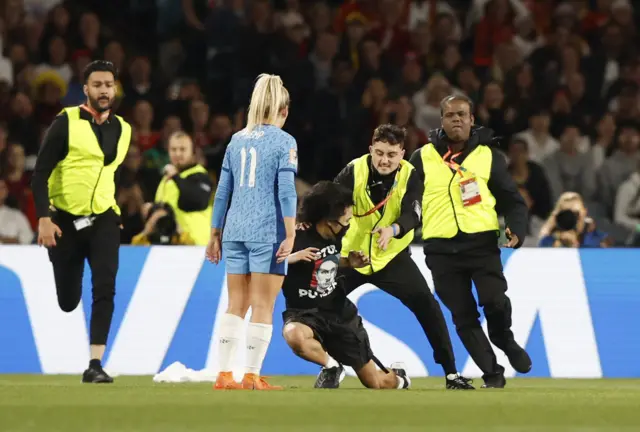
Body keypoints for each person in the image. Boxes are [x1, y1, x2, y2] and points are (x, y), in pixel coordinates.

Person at [333, 123, 474, 390]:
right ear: (370, 150)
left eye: (392, 154)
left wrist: (393, 229)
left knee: (428, 307)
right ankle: (330, 366)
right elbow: (329, 203)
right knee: (321, 307)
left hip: (391, 258)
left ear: (402, 153)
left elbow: (413, 214)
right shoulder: (354, 171)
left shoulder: (410, 175)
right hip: (352, 258)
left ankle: (451, 374)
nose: (384, 160)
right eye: (379, 153)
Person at [409, 94, 531, 389]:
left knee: (495, 301)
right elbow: (406, 199)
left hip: (482, 245)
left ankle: (504, 337)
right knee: (463, 316)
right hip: (440, 250)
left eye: (462, 114)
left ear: (472, 119)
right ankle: (493, 375)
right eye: (450, 115)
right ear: (441, 121)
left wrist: (513, 231)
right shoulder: (422, 157)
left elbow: (513, 201)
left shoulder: (489, 156)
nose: (457, 120)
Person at [30, 60, 132, 383]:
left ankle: (95, 364)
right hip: (64, 222)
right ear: (85, 89)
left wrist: (113, 212)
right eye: (97, 85)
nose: (104, 90)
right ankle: (60, 265)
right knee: (68, 300)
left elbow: (109, 175)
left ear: (115, 88)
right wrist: (44, 218)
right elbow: (39, 175)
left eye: (109, 84)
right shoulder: (66, 122)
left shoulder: (124, 129)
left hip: (103, 219)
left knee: (105, 286)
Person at [206, 74, 298, 391]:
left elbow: (222, 192)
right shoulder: (285, 142)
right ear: (283, 111)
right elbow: (286, 192)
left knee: (236, 303)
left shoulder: (237, 139)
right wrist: (290, 233)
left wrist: (214, 234)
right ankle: (250, 375)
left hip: (234, 229)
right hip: (266, 231)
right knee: (262, 304)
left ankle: (223, 374)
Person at [282, 181, 411, 390]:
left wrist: (349, 263)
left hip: (339, 314)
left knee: (375, 383)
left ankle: (399, 378)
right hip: (303, 313)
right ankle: (332, 366)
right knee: (293, 334)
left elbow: (325, 261)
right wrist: (291, 258)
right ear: (327, 220)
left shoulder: (337, 235)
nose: (348, 225)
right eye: (345, 221)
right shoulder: (294, 236)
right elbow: (263, 261)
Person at [153, 131, 213, 245]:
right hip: (173, 244)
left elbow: (199, 201)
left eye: (182, 149)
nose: (177, 154)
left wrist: (176, 177)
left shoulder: (200, 175)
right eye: (173, 149)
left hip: (197, 245)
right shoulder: (166, 179)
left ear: (192, 152)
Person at [538, 192, 611, 248]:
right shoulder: (548, 241)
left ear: (584, 212)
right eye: (567, 214)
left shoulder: (599, 239)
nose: (571, 219)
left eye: (576, 214)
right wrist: (560, 246)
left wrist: (576, 246)